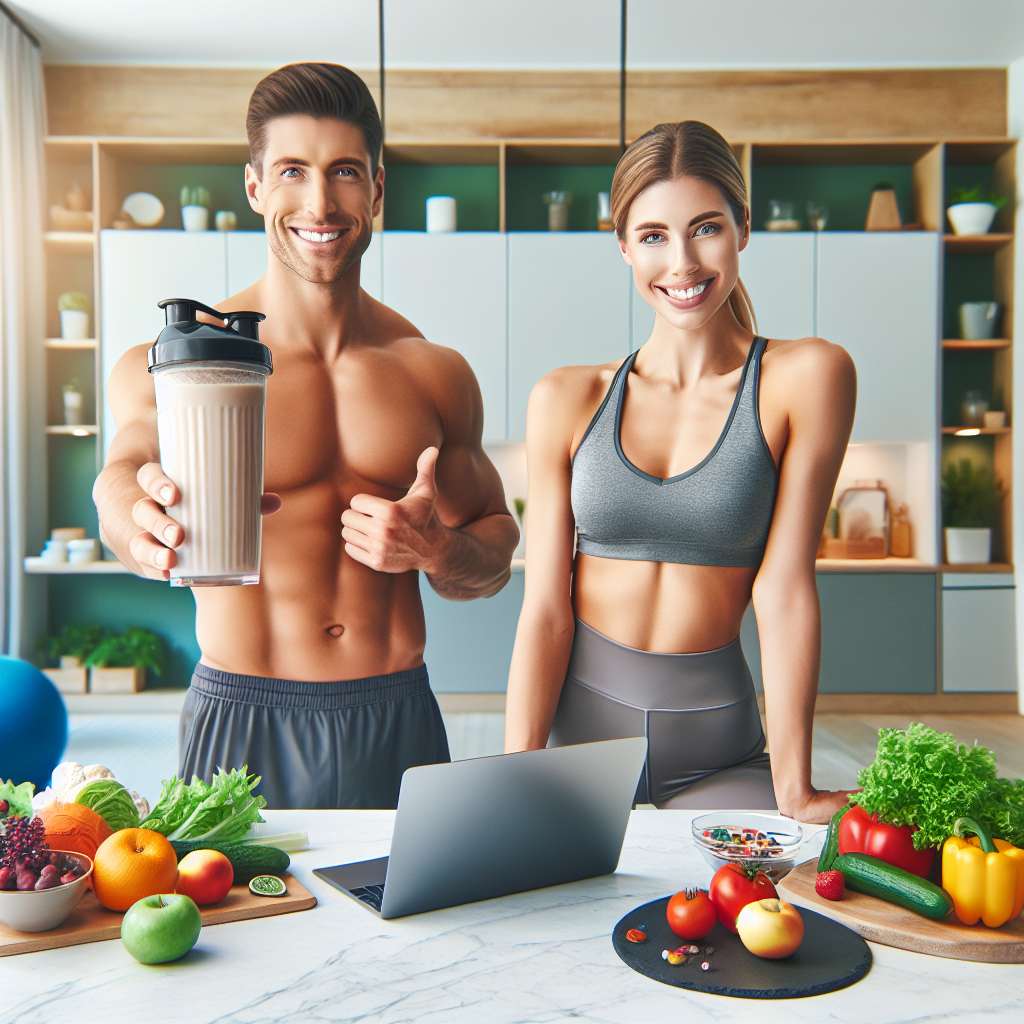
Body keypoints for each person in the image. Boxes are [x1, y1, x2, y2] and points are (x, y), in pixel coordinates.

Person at [95, 63, 518, 810]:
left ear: (378, 190)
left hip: (396, 715)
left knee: (420, 930)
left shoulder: (432, 374)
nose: (320, 202)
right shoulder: (184, 366)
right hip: (241, 714)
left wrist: (436, 549)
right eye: (293, 170)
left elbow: (489, 554)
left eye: (345, 172)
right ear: (257, 187)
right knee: (237, 927)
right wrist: (141, 519)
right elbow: (122, 477)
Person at [504, 121, 856, 824]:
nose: (684, 262)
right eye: (654, 236)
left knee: (744, 923)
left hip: (717, 755)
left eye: (706, 228)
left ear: (743, 229)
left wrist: (796, 788)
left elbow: (784, 586)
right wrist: (519, 772)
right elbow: (545, 607)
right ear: (624, 247)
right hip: (583, 751)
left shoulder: (806, 377)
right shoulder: (565, 398)